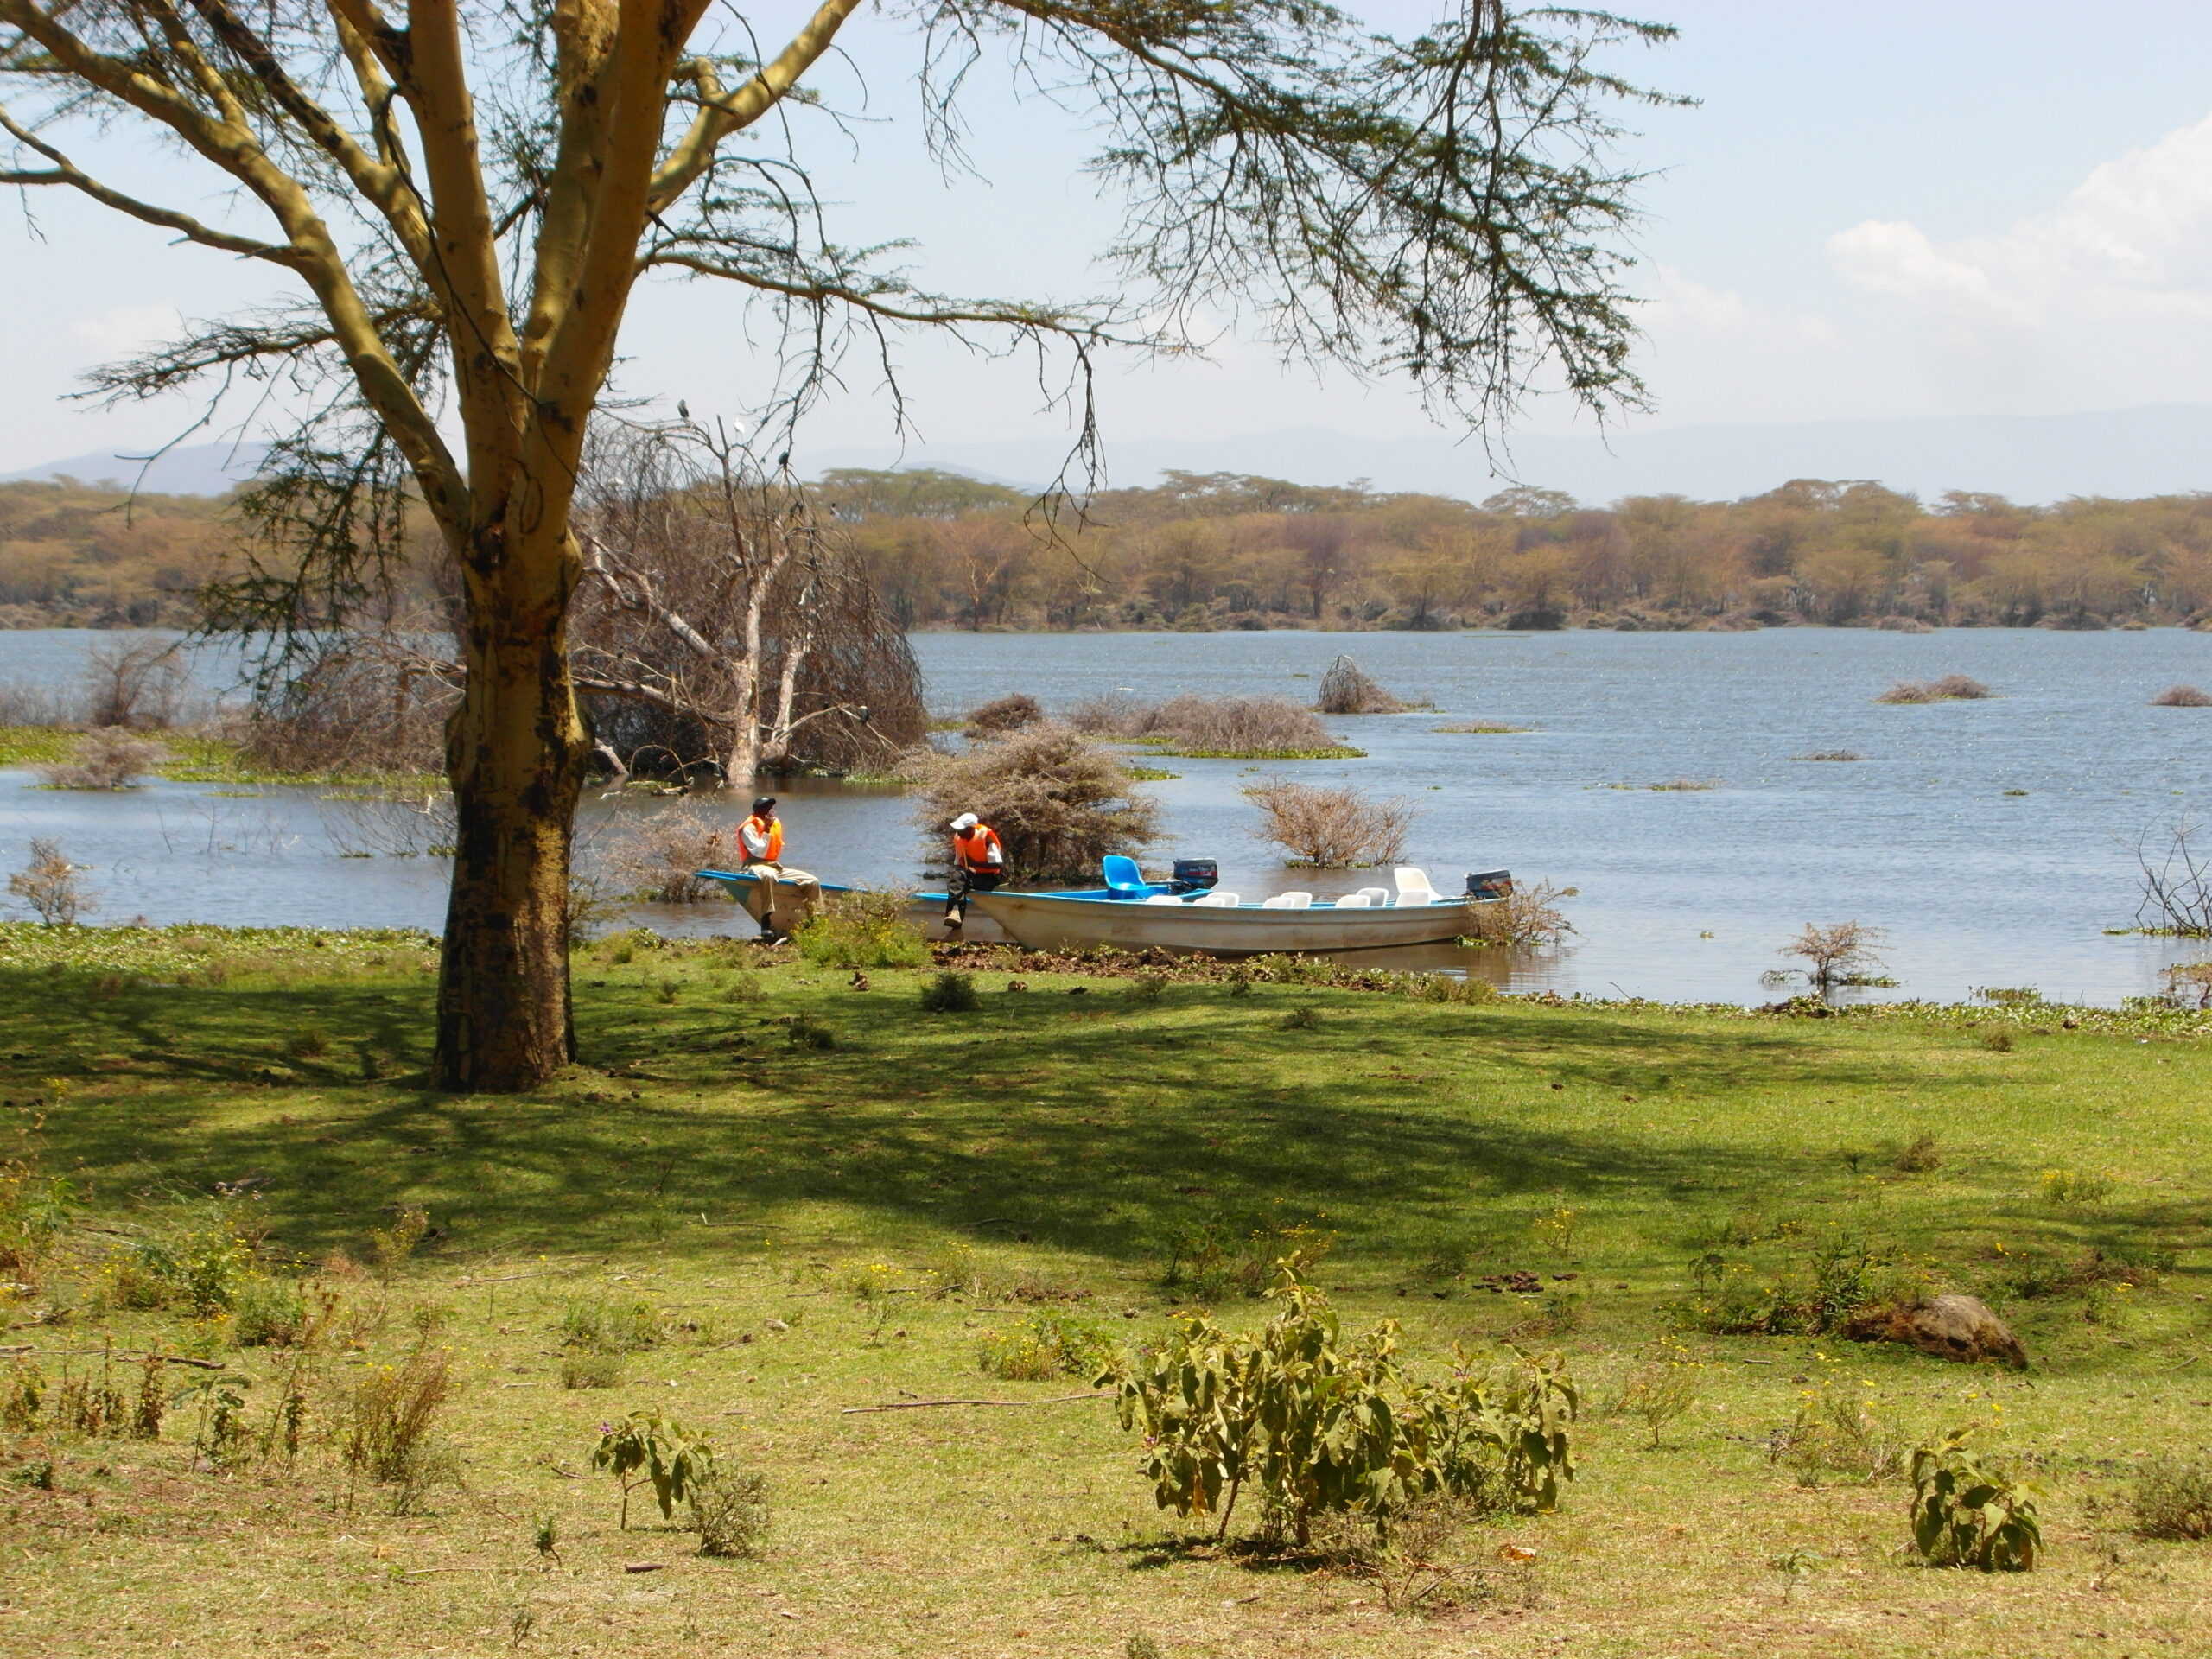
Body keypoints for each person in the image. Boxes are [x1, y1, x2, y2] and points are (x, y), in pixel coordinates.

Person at [735, 796, 821, 940]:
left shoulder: (774, 823)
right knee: (768, 876)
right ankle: (766, 921)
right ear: (757, 810)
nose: (770, 810)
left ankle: (815, 919)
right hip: (754, 865)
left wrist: (769, 826)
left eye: (771, 806)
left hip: (773, 865)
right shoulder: (749, 827)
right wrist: (767, 828)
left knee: (812, 881)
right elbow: (759, 851)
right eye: (766, 807)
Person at [943, 811, 1006, 926]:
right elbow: (957, 864)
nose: (958, 832)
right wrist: (966, 870)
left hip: (987, 879)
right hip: (970, 876)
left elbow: (998, 864)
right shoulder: (959, 839)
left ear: (971, 829)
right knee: (957, 878)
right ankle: (955, 914)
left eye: (961, 830)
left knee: (957, 883)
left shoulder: (987, 839)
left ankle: (955, 914)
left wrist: (975, 864)